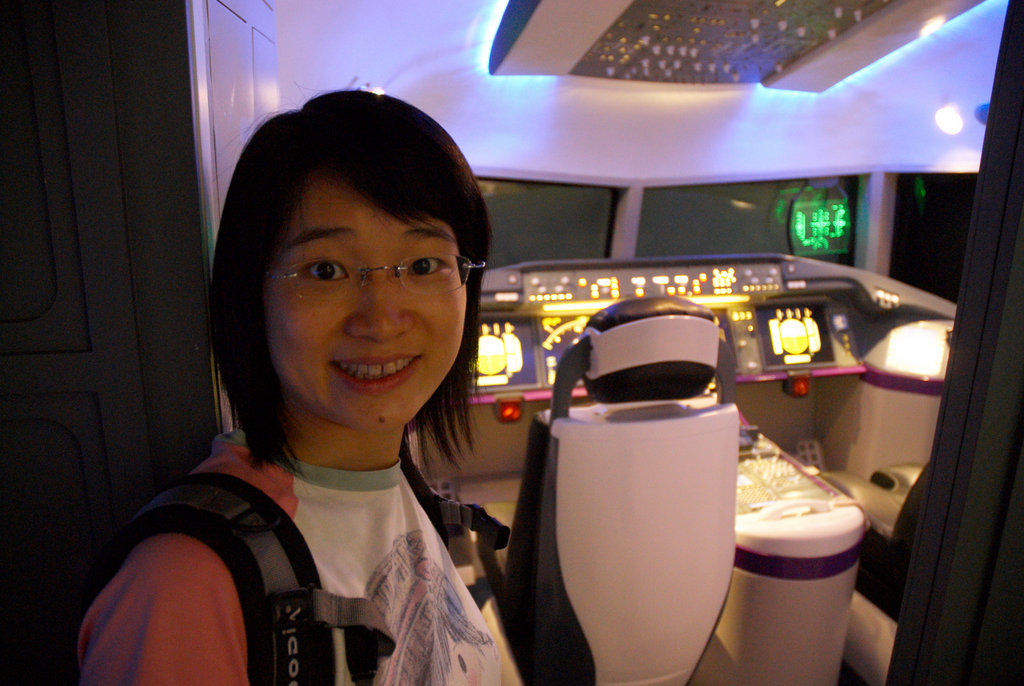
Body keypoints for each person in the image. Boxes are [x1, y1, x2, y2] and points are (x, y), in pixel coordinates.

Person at [78, 90, 499, 685]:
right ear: (252, 297)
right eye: (325, 271)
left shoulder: (397, 480)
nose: (382, 319)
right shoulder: (184, 581)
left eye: (423, 265)